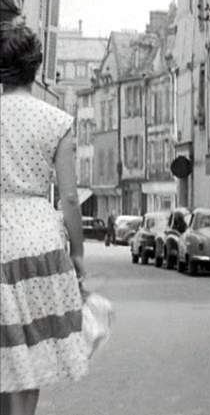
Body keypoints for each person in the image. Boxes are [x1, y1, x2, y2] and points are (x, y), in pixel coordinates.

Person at [0, 21, 89, 415]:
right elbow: (69, 197)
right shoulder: (55, 122)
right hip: (38, 244)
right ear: (36, 66)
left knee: (4, 355)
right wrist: (79, 254)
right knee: (30, 357)